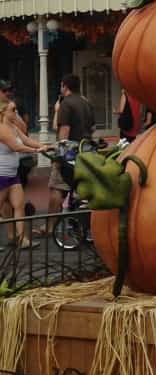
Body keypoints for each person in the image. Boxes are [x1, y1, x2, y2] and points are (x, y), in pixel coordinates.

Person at [44, 75, 95, 231]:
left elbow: (64, 131)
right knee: (80, 188)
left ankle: (50, 227)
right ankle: (84, 225)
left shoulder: (66, 104)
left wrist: (59, 155)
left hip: (70, 153)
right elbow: (92, 129)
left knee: (58, 187)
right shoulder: (87, 103)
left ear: (65, 86)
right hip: (85, 151)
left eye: (61, 86)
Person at [0, 100, 45, 249]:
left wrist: (43, 146)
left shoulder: (13, 127)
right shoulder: (1, 129)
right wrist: (35, 151)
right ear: (3, 112)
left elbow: (26, 140)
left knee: (18, 206)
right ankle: (15, 237)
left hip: (13, 175)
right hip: (1, 176)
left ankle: (21, 239)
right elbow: (16, 146)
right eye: (12, 110)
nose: (15, 112)